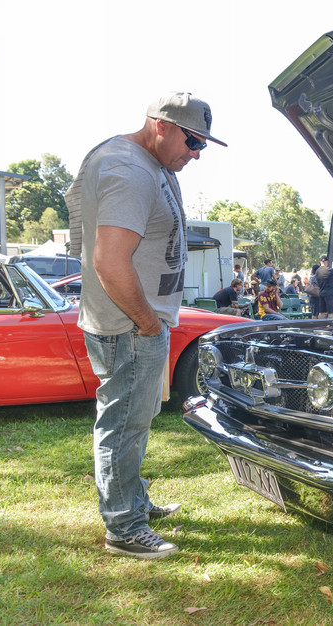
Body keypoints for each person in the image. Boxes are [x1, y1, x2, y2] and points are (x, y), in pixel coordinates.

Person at [65, 91, 226, 559]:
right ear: (160, 125)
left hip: (134, 321)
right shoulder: (130, 170)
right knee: (123, 426)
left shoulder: (142, 162)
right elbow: (108, 260)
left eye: (203, 145)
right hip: (130, 325)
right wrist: (148, 325)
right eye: (192, 140)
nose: (196, 153)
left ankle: (131, 501)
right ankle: (124, 528)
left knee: (135, 419)